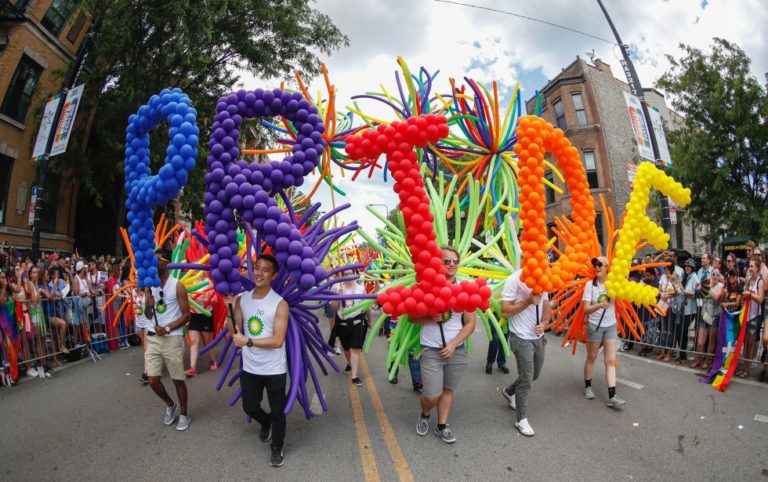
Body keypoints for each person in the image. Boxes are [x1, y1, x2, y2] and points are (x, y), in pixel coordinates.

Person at [227, 254, 288, 468]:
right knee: (250, 406)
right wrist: (229, 310)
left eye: (265, 270)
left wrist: (249, 341)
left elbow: (278, 340)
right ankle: (265, 421)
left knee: (278, 411)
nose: (259, 273)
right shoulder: (242, 299)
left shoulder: (280, 304)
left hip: (274, 369)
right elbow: (234, 332)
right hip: (251, 366)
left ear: (274, 275)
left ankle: (277, 447)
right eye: (257, 268)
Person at [412, 246, 476, 444]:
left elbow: (470, 324)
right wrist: (431, 318)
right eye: (447, 261)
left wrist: (453, 344)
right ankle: (425, 414)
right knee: (432, 395)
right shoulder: (426, 288)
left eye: (455, 261)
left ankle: (442, 426)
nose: (451, 264)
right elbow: (412, 318)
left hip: (456, 350)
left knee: (448, 389)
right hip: (431, 350)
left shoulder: (465, 288)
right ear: (437, 264)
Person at [144, 247, 192, 431]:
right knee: (152, 380)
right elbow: (148, 316)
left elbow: (187, 315)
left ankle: (184, 413)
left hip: (172, 338)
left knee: (177, 379)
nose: (153, 263)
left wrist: (167, 328)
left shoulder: (177, 286)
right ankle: (170, 404)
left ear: (166, 263)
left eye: (157, 260)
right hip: (153, 337)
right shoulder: (149, 285)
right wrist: (148, 305)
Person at [499, 269, 550, 436]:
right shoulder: (514, 279)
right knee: (527, 379)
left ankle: (509, 391)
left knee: (534, 375)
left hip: (538, 337)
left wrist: (544, 323)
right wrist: (528, 301)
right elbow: (505, 311)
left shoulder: (544, 276)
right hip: (521, 338)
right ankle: (521, 419)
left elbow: (546, 306)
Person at [582, 256, 625, 408]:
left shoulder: (613, 284)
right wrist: (600, 305)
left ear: (607, 267)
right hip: (595, 326)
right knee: (592, 357)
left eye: (600, 264)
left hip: (610, 326)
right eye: (595, 264)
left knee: (610, 361)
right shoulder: (590, 285)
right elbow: (586, 309)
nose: (597, 267)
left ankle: (612, 396)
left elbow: (625, 293)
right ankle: (588, 387)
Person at [328, 269, 371, 387]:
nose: (348, 275)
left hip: (357, 322)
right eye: (346, 274)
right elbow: (333, 308)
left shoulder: (360, 289)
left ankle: (354, 376)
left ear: (354, 275)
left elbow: (366, 306)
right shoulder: (337, 287)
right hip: (342, 323)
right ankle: (349, 364)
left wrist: (369, 320)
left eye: (350, 273)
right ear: (342, 276)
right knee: (346, 349)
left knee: (355, 349)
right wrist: (338, 296)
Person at [739, 258, 764, 378]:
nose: (750, 268)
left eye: (752, 266)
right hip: (746, 315)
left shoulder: (760, 282)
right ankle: (744, 366)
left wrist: (750, 294)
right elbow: (745, 295)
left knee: (750, 343)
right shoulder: (748, 280)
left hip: (755, 316)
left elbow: (760, 299)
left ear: (757, 268)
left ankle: (746, 369)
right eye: (749, 266)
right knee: (745, 342)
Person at [675, 259, 699, 365]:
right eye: (686, 266)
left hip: (690, 310)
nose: (687, 268)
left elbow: (696, 293)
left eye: (689, 266)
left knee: (683, 332)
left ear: (693, 267)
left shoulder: (695, 278)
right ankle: (682, 355)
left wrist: (684, 291)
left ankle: (682, 356)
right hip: (684, 309)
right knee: (681, 332)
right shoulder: (687, 278)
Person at [692, 254, 714, 368]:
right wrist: (697, 287)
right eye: (702, 258)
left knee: (710, 338)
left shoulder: (713, 272)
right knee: (700, 340)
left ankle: (707, 359)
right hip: (700, 306)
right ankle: (698, 358)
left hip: (711, 309)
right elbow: (697, 287)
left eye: (704, 258)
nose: (702, 260)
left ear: (709, 260)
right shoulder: (699, 271)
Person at [185, 306, 218, 377]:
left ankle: (213, 361)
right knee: (193, 341)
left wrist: (203, 300)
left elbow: (215, 300)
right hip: (192, 314)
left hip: (206, 313)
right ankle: (193, 369)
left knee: (208, 341)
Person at [637, 268, 659, 357]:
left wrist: (645, 286)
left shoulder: (657, 282)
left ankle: (649, 348)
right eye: (645, 275)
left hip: (653, 313)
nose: (646, 277)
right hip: (643, 311)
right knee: (644, 331)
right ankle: (644, 347)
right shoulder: (644, 281)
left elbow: (655, 292)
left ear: (653, 275)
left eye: (648, 275)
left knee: (651, 332)